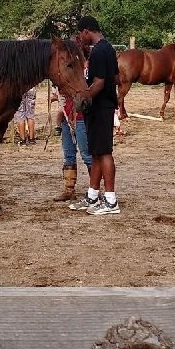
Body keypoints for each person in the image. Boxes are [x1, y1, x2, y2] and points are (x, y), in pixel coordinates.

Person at [69, 16, 120, 215]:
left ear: (86, 31)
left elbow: (99, 82)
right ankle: (92, 196)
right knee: (97, 152)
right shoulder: (107, 49)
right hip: (103, 106)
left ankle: (111, 200)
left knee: (105, 152)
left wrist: (83, 97)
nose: (81, 38)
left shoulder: (99, 51)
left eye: (81, 34)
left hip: (100, 108)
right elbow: (116, 78)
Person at [52, 43, 92, 201]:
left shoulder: (83, 71)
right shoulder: (67, 70)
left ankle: (94, 189)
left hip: (80, 117)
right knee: (68, 154)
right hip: (66, 115)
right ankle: (69, 189)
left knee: (86, 154)